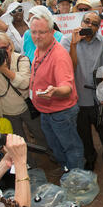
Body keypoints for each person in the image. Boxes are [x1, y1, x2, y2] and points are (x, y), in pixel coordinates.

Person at [0, 31, 50, 155]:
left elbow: (24, 83)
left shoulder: (20, 59)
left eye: (5, 47)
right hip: (5, 113)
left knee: (41, 135)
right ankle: (28, 166)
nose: (2, 52)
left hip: (26, 108)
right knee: (18, 142)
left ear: (11, 46)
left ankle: (51, 158)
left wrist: (4, 70)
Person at [29, 11, 85, 171]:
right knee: (56, 146)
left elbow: (67, 87)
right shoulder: (39, 48)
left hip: (61, 113)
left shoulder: (58, 55)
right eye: (34, 32)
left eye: (41, 32)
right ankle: (66, 170)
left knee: (71, 147)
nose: (37, 36)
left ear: (52, 32)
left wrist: (55, 91)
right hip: (47, 111)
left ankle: (76, 178)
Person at [68, 12, 103, 175]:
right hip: (77, 97)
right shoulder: (67, 40)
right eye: (87, 21)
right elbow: (69, 67)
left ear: (98, 27)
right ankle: (90, 158)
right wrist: (74, 45)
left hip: (98, 96)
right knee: (83, 133)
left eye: (94, 23)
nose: (89, 26)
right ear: (81, 22)